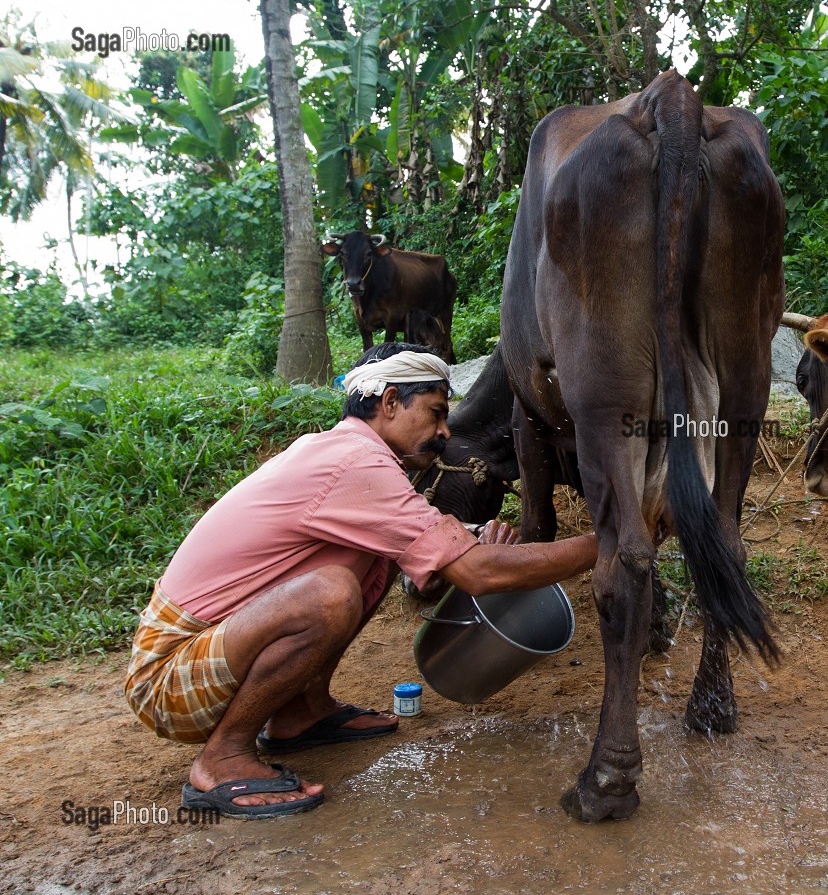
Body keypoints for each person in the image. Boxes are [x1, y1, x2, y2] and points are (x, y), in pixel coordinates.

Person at [123, 343, 597, 819]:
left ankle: (300, 713)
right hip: (169, 679)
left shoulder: (345, 452)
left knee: (378, 557)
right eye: (435, 414)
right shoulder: (358, 464)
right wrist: (608, 541)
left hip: (210, 652)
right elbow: (476, 574)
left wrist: (469, 537)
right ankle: (221, 758)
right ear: (389, 402)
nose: (444, 431)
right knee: (330, 594)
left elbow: (426, 539)